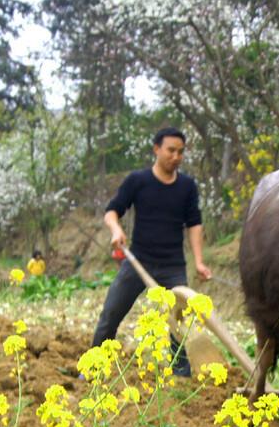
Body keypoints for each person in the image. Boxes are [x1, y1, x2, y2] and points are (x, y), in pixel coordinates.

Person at [91, 127, 212, 376]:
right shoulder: (138, 181)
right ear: (157, 149)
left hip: (173, 266)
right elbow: (112, 211)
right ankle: (94, 365)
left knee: (177, 323)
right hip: (138, 262)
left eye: (180, 152)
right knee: (111, 313)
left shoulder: (187, 186)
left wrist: (199, 261)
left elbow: (194, 224)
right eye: (170, 150)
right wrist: (116, 230)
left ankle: (180, 375)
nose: (175, 156)